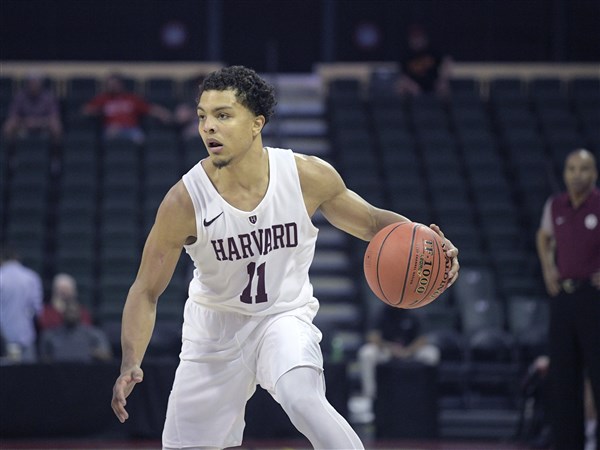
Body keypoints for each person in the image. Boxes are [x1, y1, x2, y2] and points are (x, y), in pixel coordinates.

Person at [110, 65, 460, 450]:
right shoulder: (184, 200)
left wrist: (431, 244)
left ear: (256, 123)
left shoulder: (305, 176)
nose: (208, 127)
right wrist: (130, 361)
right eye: (202, 116)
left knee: (303, 398)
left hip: (283, 316)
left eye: (223, 115)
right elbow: (146, 290)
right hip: (213, 332)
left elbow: (374, 223)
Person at [536, 148, 600, 450]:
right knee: (563, 378)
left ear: (594, 173)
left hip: (594, 297)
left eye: (583, 169)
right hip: (564, 297)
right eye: (571, 169)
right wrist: (548, 268)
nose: (577, 175)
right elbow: (543, 236)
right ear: (565, 173)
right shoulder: (555, 205)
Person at [355, 305, 440, 421]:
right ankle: (370, 399)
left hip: (410, 350)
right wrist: (390, 348)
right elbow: (372, 337)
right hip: (387, 351)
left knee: (432, 353)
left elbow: (423, 339)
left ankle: (429, 399)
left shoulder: (415, 311)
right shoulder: (382, 311)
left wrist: (408, 351)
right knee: (367, 353)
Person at [82, 73, 172, 144]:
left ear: (120, 85)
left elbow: (149, 108)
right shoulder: (103, 99)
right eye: (110, 84)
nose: (112, 86)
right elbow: (86, 110)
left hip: (131, 129)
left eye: (114, 84)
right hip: (112, 129)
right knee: (108, 135)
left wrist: (163, 114)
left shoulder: (131, 98)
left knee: (140, 139)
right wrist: (100, 111)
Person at [0, 244, 43, 363]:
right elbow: (37, 309)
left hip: (3, 336)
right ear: (17, 258)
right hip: (25, 336)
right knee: (27, 373)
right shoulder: (31, 277)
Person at [39, 297, 112, 363]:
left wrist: (91, 352)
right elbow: (43, 359)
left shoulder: (94, 334)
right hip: (57, 372)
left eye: (74, 311)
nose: (71, 314)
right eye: (68, 311)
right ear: (62, 314)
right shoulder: (50, 335)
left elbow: (107, 356)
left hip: (87, 372)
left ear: (80, 313)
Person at [2, 71, 63, 143]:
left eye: (36, 82)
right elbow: (13, 115)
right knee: (9, 125)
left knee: (56, 125)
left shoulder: (48, 97)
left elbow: (54, 116)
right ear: (27, 83)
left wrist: (38, 122)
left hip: (44, 125)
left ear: (40, 83)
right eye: (31, 83)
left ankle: (56, 149)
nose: (33, 85)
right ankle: (9, 148)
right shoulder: (20, 96)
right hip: (23, 125)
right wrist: (25, 121)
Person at [396, 24, 452, 97]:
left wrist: (442, 79)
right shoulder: (406, 54)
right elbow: (402, 75)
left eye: (419, 38)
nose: (417, 41)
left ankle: (446, 104)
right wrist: (411, 85)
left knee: (444, 87)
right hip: (415, 85)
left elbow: (447, 60)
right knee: (401, 86)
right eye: (414, 38)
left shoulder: (432, 49)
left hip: (433, 83)